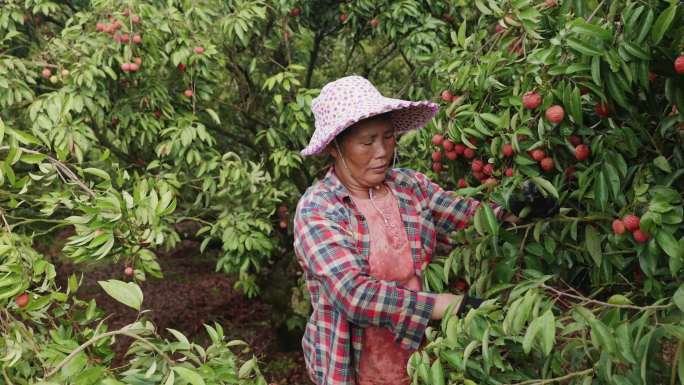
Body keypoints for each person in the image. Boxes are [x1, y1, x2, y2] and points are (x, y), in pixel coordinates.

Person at [293, 76, 520, 385]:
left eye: (388, 137)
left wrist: (514, 208)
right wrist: (450, 305)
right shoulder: (319, 208)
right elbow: (355, 295)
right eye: (367, 141)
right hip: (355, 368)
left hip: (425, 362)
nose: (382, 151)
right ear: (335, 147)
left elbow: (471, 220)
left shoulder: (410, 186)